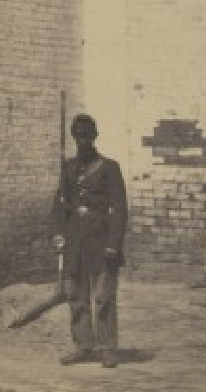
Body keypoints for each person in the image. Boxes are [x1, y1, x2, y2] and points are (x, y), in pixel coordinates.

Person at [53, 113, 128, 368]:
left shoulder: (109, 167)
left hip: (101, 241)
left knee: (104, 297)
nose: (83, 141)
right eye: (78, 136)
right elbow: (60, 204)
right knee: (76, 296)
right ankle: (83, 346)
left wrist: (113, 244)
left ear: (95, 136)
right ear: (74, 138)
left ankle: (107, 348)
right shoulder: (68, 168)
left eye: (87, 136)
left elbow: (119, 208)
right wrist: (58, 233)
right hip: (75, 242)